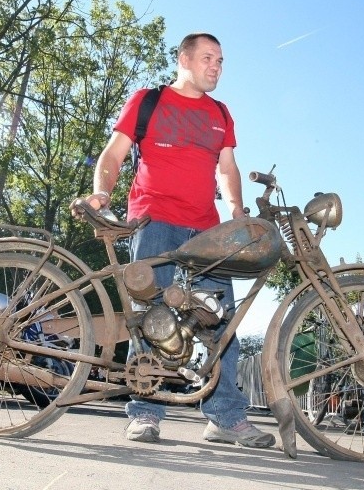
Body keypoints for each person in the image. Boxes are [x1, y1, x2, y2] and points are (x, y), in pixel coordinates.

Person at [76, 33, 275, 448]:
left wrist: (236, 210)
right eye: (208, 58)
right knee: (150, 315)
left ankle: (225, 418)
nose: (216, 66)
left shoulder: (221, 113)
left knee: (221, 320)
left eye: (221, 60)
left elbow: (227, 167)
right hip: (154, 220)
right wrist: (102, 192)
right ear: (184, 59)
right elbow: (114, 154)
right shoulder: (147, 101)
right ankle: (145, 413)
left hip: (207, 230)